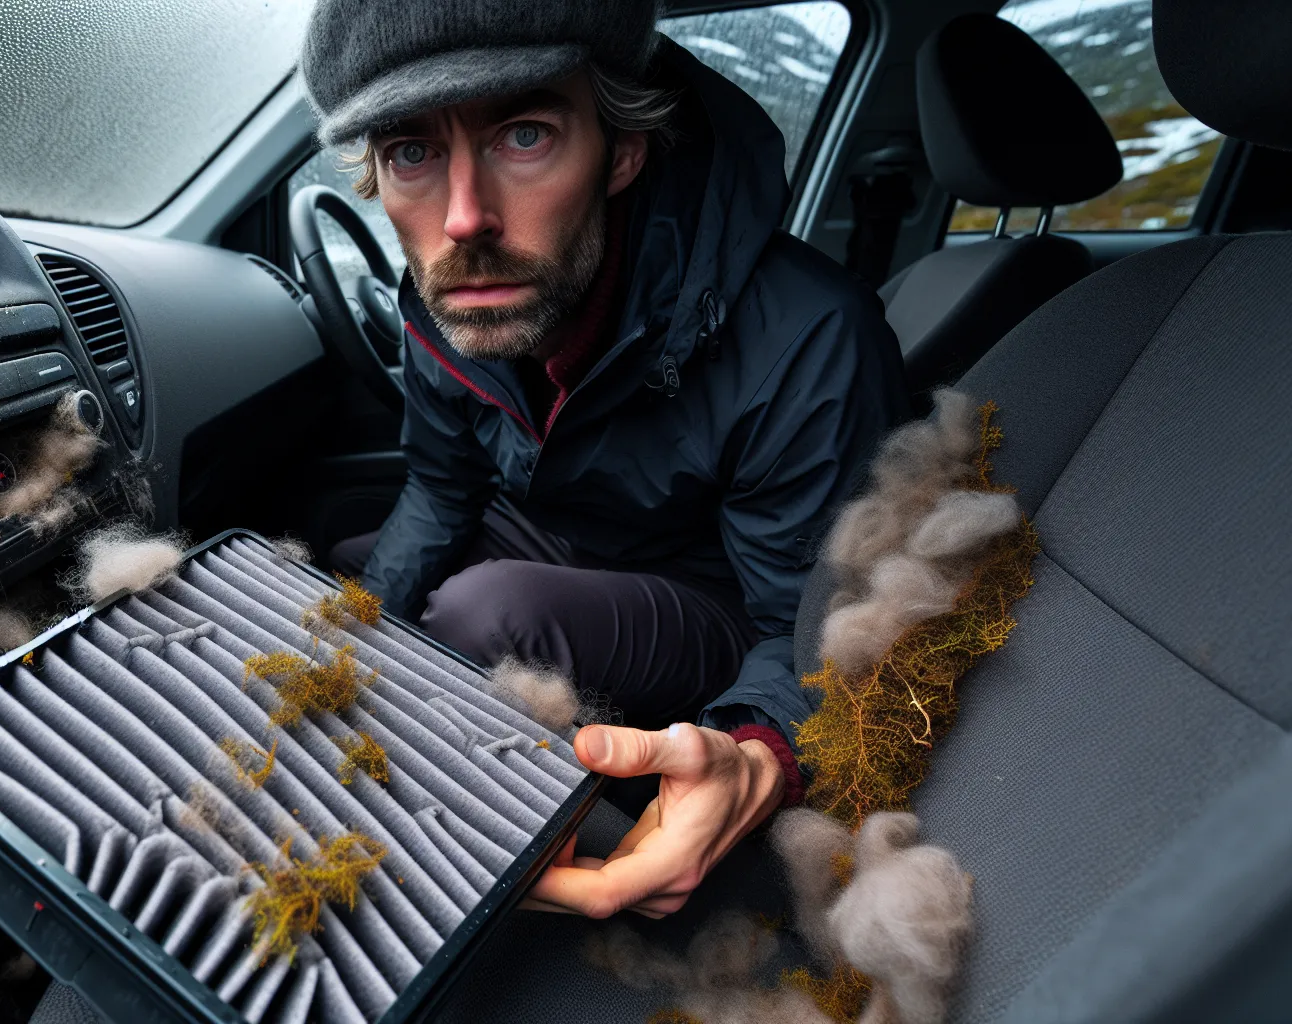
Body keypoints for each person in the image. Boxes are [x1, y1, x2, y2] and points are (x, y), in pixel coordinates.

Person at [302, 0, 908, 918]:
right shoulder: (447, 303)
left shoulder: (810, 337)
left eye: (526, 134)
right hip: (556, 527)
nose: (464, 220)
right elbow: (438, 488)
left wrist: (753, 758)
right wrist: (353, 644)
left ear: (621, 148)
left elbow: (811, 628)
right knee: (337, 564)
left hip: (716, 594)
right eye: (411, 153)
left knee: (482, 609)